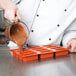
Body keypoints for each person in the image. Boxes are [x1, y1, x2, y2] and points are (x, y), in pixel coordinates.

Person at [0, 0, 76, 52]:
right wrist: (8, 5)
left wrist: (71, 39)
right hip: (17, 48)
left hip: (49, 54)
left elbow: (70, 30)